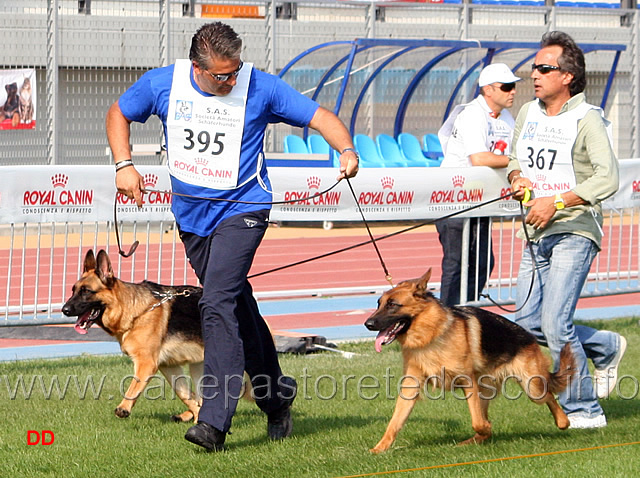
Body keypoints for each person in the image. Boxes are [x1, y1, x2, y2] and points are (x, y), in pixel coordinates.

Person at [106, 22, 359, 451]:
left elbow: (321, 117)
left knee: (216, 301)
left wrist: (347, 150)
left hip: (244, 209)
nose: (230, 80)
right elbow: (119, 113)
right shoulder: (162, 83)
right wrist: (123, 164)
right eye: (221, 75)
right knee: (239, 308)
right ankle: (276, 397)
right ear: (197, 67)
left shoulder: (261, 86)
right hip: (192, 218)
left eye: (235, 71)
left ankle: (214, 421)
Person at [508, 31, 626, 429]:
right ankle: (606, 345)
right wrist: (517, 178)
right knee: (525, 323)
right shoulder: (527, 113)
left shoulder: (587, 118)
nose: (534, 75)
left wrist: (556, 202)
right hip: (534, 231)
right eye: (533, 68)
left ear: (568, 76)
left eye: (544, 68)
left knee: (557, 323)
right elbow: (513, 157)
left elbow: (607, 179)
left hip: (574, 228)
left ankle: (586, 411)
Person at [436, 63, 521, 306]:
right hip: (453, 198)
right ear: (488, 90)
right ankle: (448, 315)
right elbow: (480, 158)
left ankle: (467, 311)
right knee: (456, 262)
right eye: (506, 87)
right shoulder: (472, 114)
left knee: (483, 262)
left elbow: (512, 153)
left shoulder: (506, 117)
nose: (512, 91)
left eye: (513, 86)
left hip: (480, 200)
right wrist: (518, 161)